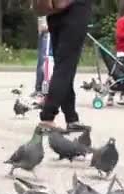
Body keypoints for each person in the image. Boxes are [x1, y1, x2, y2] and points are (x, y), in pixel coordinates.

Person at [38, 0, 92, 133]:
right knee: (65, 68)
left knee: (64, 67)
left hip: (55, 13)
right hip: (74, 13)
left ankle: (71, 117)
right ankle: (47, 117)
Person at [32, 16, 50, 98]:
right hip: (45, 35)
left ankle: (47, 89)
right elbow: (41, 25)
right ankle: (39, 89)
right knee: (42, 62)